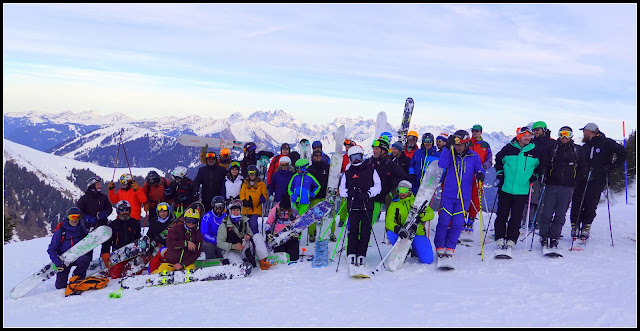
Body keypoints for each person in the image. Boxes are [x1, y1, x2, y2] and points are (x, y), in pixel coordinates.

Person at [570, 123, 627, 241]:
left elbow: (623, 153)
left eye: (584, 131)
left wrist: (612, 166)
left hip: (598, 179)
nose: (583, 133)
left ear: (590, 131)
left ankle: (586, 227)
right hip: (581, 178)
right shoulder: (585, 146)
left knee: (590, 204)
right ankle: (575, 226)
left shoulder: (606, 143)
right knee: (577, 202)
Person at [434, 130, 485, 258]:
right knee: (444, 222)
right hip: (448, 195)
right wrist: (447, 147)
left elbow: (480, 170)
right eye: (456, 145)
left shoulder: (473, 157)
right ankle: (440, 245)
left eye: (461, 145)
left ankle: (451, 247)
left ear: (466, 144)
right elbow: (442, 164)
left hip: (464, 197)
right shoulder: (450, 154)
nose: (458, 147)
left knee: (457, 223)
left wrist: (480, 175)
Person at [493, 126, 543, 250]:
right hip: (506, 187)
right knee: (502, 214)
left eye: (529, 136)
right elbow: (498, 159)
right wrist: (499, 172)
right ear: (519, 136)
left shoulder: (535, 151)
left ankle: (511, 239)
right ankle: (499, 237)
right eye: (524, 135)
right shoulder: (509, 148)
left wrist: (534, 176)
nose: (527, 138)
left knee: (516, 216)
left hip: (522, 189)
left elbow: (540, 167)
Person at [537, 126, 587, 249]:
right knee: (547, 212)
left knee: (560, 213)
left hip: (568, 187)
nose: (564, 136)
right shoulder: (553, 148)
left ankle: (554, 236)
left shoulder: (577, 150)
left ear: (571, 135)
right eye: (561, 133)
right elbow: (544, 163)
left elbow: (583, 167)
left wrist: (577, 180)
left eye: (567, 133)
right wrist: (543, 174)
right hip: (552, 184)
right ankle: (544, 235)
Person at [339, 145, 381, 268]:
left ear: (362, 157)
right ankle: (351, 252)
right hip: (353, 205)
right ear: (350, 159)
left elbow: (378, 186)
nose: (356, 161)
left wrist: (368, 194)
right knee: (353, 231)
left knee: (365, 231)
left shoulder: (371, 170)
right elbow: (341, 189)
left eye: (358, 157)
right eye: (353, 158)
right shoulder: (348, 172)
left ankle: (362, 254)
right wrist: (348, 193)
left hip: (367, 205)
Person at [385, 181, 435, 264]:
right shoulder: (395, 204)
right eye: (400, 190)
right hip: (404, 233)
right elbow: (388, 222)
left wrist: (421, 218)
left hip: (418, 233)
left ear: (409, 191)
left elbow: (431, 213)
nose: (402, 193)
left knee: (428, 260)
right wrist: (398, 229)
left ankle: (415, 249)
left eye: (404, 190)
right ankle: (404, 250)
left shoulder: (417, 201)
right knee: (390, 233)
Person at [217, 199, 273, 270]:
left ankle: (263, 261)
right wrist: (234, 246)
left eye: (237, 210)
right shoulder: (224, 225)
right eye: (233, 210)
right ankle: (230, 264)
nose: (236, 212)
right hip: (231, 251)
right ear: (230, 212)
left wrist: (249, 236)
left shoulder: (244, 221)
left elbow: (251, 233)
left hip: (243, 248)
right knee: (241, 268)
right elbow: (219, 243)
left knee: (257, 236)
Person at [365, 137, 409, 226]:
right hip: (365, 198)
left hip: (377, 200)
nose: (374, 151)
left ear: (383, 150)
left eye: (376, 148)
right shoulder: (369, 162)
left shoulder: (389, 164)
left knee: (366, 227)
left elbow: (403, 177)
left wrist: (392, 185)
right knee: (358, 228)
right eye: (373, 148)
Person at [48, 207, 92, 290]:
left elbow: (88, 244)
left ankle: (76, 279)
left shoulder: (82, 230)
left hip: (78, 257)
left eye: (77, 217)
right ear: (68, 218)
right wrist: (58, 263)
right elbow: (51, 249)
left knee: (85, 260)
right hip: (64, 260)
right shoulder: (61, 232)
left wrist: (89, 259)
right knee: (60, 287)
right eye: (72, 217)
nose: (75, 220)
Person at [522, 121, 555, 230]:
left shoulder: (551, 143)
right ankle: (527, 220)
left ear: (544, 130)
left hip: (547, 174)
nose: (535, 132)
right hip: (532, 173)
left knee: (543, 199)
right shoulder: (532, 142)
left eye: (538, 130)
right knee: (530, 198)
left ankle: (538, 221)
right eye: (534, 130)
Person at [151, 207, 204, 274]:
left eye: (194, 221)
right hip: (170, 262)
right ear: (184, 220)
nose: (191, 223)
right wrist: (186, 243)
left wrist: (183, 264)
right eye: (188, 220)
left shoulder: (198, 235)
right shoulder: (176, 229)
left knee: (190, 272)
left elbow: (196, 254)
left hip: (186, 264)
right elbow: (170, 244)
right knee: (161, 273)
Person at [100, 200, 143, 279]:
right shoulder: (113, 225)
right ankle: (109, 271)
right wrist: (105, 257)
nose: (124, 212)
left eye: (126, 210)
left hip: (132, 254)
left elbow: (138, 238)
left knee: (135, 273)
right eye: (122, 210)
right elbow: (106, 243)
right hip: (118, 255)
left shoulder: (135, 223)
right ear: (118, 211)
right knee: (115, 276)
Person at [466, 124, 493, 232]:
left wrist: (482, 167)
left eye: (477, 131)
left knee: (476, 197)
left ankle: (471, 219)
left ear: (481, 132)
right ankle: (462, 217)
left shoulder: (485, 145)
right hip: (466, 174)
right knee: (464, 195)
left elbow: (490, 160)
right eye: (473, 131)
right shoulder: (467, 143)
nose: (475, 133)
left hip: (479, 175)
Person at [308, 150, 337, 242]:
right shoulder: (310, 168)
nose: (318, 157)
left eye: (320, 155)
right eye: (316, 155)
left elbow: (333, 178)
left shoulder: (327, 167)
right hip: (315, 196)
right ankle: (312, 234)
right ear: (313, 157)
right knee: (312, 216)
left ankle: (331, 233)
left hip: (326, 195)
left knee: (330, 214)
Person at [288, 158, 320, 241]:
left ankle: (298, 237)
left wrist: (312, 194)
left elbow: (318, 186)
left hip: (304, 202)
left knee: (300, 220)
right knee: (293, 219)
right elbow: (290, 188)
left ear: (304, 168)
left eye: (299, 168)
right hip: (295, 201)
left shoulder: (310, 177)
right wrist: (292, 195)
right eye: (296, 168)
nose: (297, 170)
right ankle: (292, 235)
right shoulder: (295, 177)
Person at [265, 194, 301, 261]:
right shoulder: (274, 211)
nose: (285, 210)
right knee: (281, 258)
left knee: (294, 258)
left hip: (290, 237)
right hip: (278, 238)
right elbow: (268, 223)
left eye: (287, 209)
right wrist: (268, 233)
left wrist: (298, 233)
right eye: (284, 209)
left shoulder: (294, 211)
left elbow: (298, 224)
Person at [239, 165, 268, 234]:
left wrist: (263, 198)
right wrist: (244, 201)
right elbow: (242, 194)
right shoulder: (245, 183)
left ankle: (256, 238)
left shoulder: (261, 184)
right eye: (250, 174)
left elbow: (265, 194)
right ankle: (246, 238)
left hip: (256, 209)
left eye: (253, 174)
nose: (252, 176)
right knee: (246, 224)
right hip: (247, 208)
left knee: (253, 224)